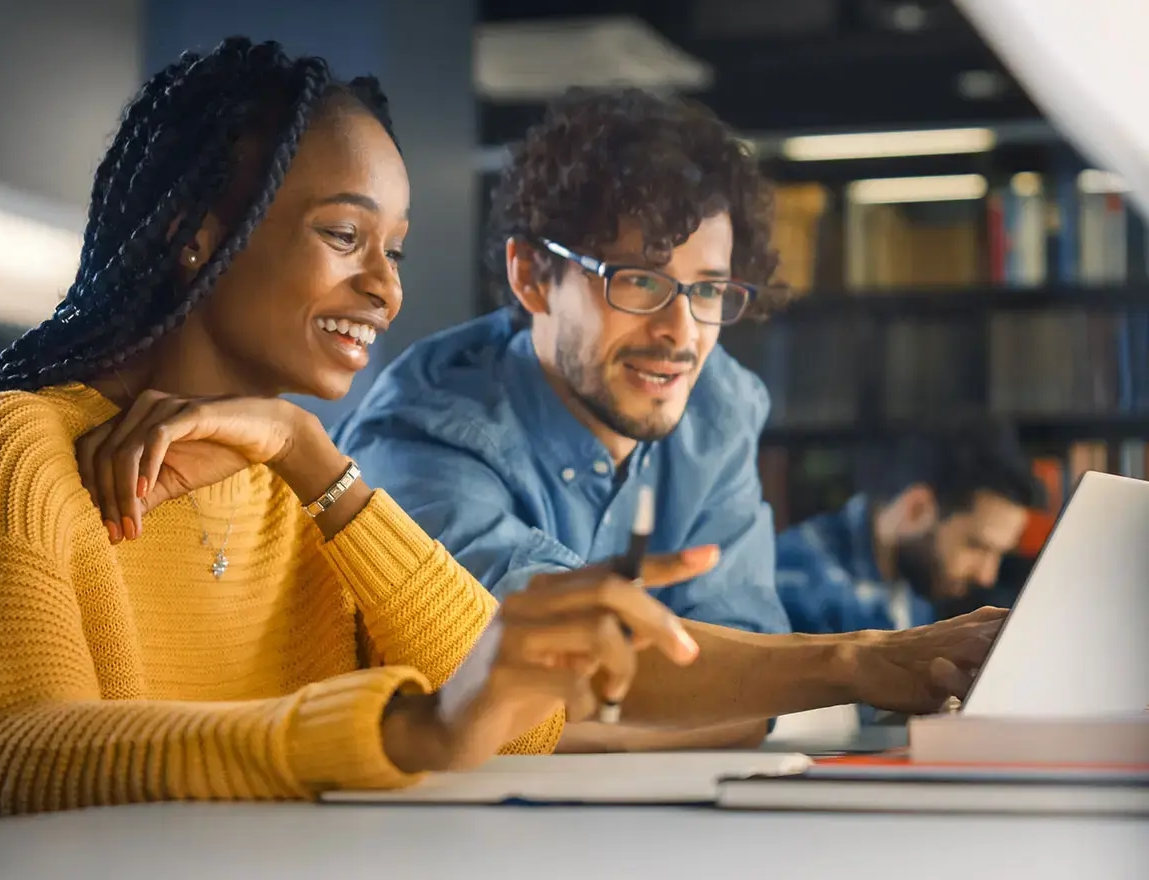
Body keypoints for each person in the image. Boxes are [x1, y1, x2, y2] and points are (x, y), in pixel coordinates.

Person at [0, 39, 715, 824]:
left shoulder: (297, 476)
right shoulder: (15, 443)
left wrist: (311, 456)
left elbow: (522, 729)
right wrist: (400, 734)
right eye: (345, 236)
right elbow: (19, 766)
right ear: (193, 236)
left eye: (396, 251)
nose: (385, 289)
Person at [335, 88, 1007, 751]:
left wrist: (644, 712)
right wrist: (853, 663)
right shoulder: (421, 437)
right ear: (532, 275)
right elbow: (523, 677)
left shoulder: (718, 406)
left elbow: (746, 702)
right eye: (639, 281)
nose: (681, 334)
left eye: (709, 290)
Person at [776, 419, 1041, 635]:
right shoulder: (801, 581)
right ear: (917, 509)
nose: (987, 576)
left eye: (999, 554)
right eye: (976, 546)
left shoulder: (912, 586)